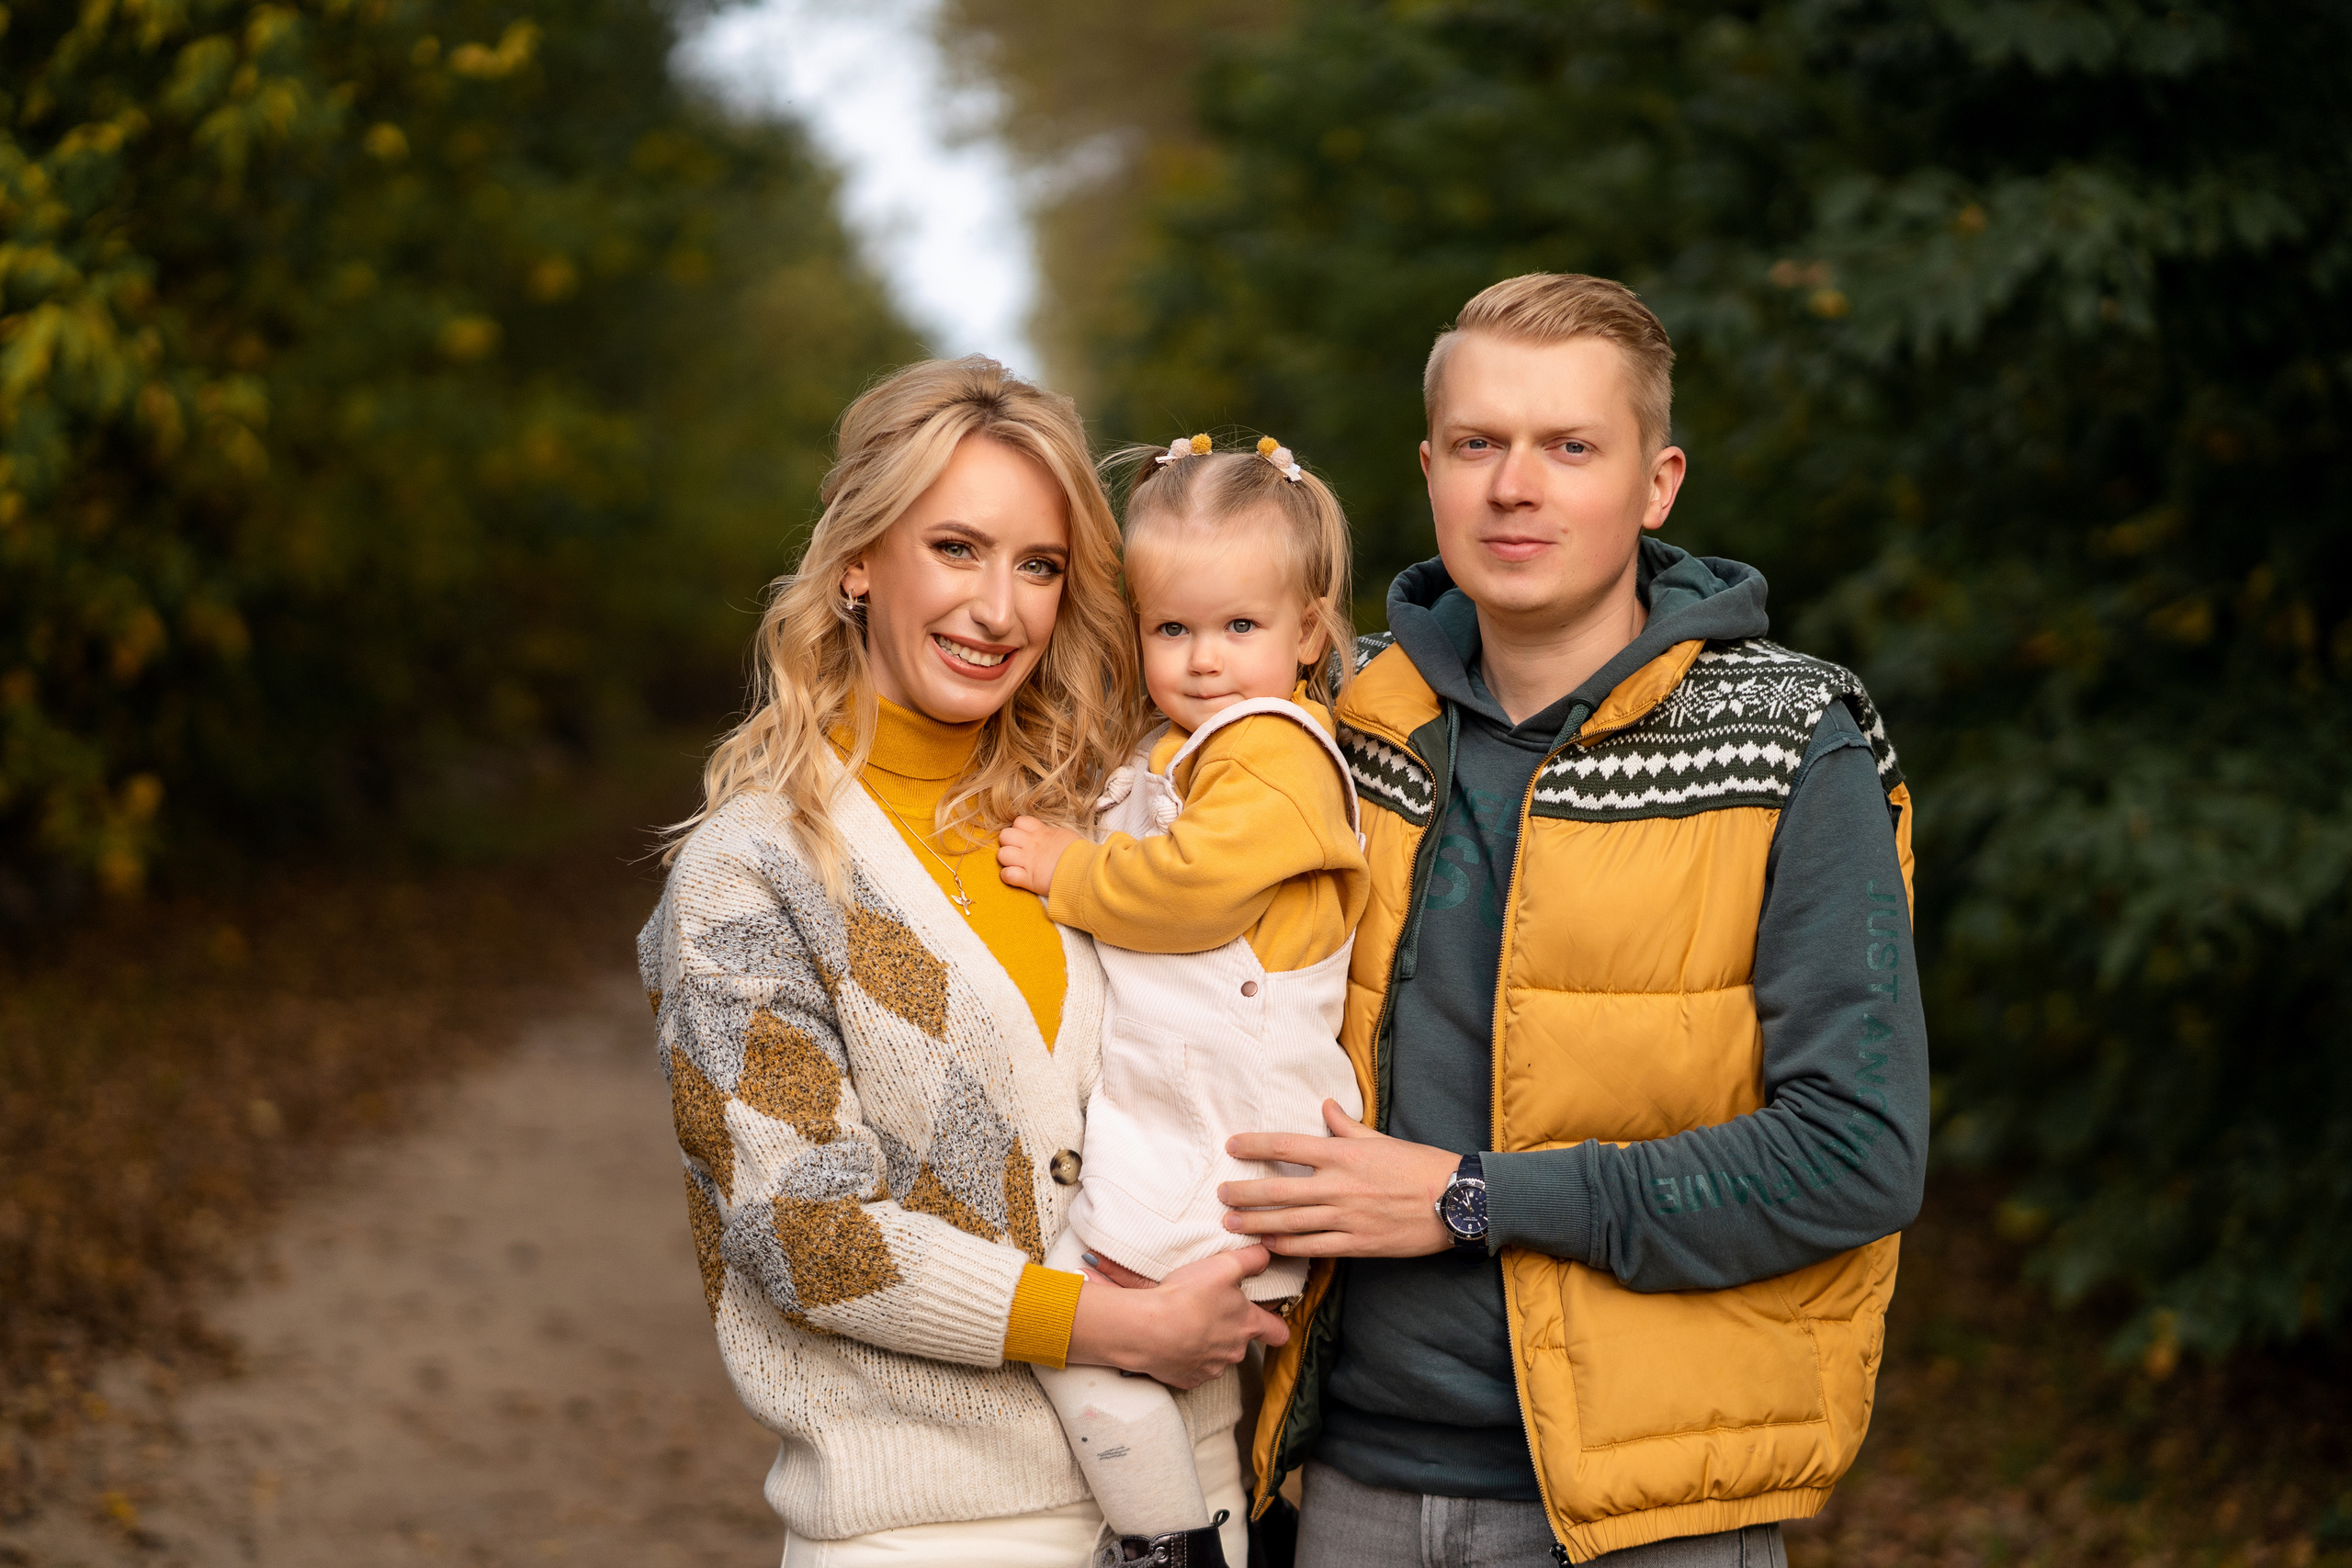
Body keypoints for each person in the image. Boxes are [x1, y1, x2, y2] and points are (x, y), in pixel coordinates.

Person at [1219, 275, 1932, 1565]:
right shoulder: (1331, 728)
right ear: (1432, 469)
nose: (1515, 485)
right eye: (1481, 443)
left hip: (1654, 1509)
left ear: (1656, 485)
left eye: (1570, 446)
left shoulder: (1789, 740)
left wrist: (1471, 1198)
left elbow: (1856, 1155)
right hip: (1347, 1483)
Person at [638, 357, 1286, 1567]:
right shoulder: (750, 874)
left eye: (1038, 565)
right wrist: (1115, 1323)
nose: (1000, 609)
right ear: (858, 561)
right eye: (957, 548)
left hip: (1199, 1509)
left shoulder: (1113, 823)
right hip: (929, 1527)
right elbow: (803, 1229)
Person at [995, 433, 1372, 1563]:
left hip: (1222, 1139)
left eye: (1239, 628)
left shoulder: (1271, 750)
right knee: (1098, 1348)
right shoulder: (1188, 746)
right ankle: (1205, 1529)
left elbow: (1196, 891)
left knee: (1079, 1344)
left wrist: (1072, 871)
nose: (1204, 661)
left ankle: (1171, 1545)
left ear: (1308, 632)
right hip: (1187, 1123)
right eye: (1173, 630)